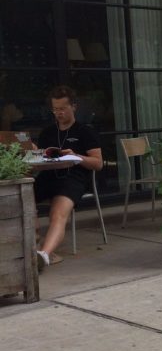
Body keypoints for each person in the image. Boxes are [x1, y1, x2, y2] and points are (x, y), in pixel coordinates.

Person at [34, 85, 103, 270]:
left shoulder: (85, 131)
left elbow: (98, 163)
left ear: (74, 106)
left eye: (62, 108)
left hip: (73, 178)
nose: (59, 113)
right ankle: (33, 244)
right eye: (55, 109)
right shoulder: (47, 132)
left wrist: (76, 156)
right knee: (21, 201)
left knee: (57, 214)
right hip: (48, 176)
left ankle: (44, 255)